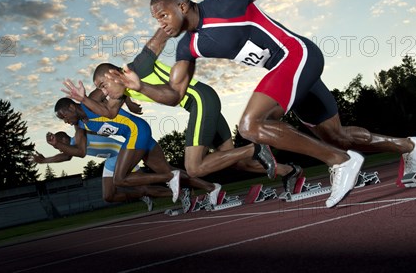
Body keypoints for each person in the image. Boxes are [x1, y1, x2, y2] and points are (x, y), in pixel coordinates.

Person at [107, 0, 416, 208]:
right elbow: (176, 94)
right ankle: (409, 146)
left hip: (297, 56)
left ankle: (341, 163)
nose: (160, 24)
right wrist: (140, 86)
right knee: (336, 135)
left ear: (182, 5)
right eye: (155, 20)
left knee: (250, 125)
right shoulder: (187, 47)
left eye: (163, 15)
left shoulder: (227, 1)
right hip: (290, 76)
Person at [62, 28, 304, 194]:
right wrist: (83, 98)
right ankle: (290, 170)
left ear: (114, 75)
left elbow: (157, 40)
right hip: (201, 103)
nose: (104, 92)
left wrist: (170, 22)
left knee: (194, 167)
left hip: (200, 99)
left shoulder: (138, 67)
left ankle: (256, 147)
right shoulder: (123, 92)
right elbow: (110, 114)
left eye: (103, 86)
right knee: (234, 161)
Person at [53, 97, 222, 209]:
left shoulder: (90, 101)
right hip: (137, 134)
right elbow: (81, 152)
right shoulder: (80, 126)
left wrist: (129, 101)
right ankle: (212, 187)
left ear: (71, 107)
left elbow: (114, 87)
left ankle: (171, 178)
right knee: (166, 169)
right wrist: (57, 146)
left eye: (64, 116)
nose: (65, 121)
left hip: (135, 132)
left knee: (120, 178)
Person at [33, 131, 166, 211]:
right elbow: (67, 155)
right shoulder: (73, 146)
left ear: (63, 139)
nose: (60, 149)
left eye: (60, 146)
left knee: (144, 187)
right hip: (114, 160)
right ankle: (142, 195)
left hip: (122, 154)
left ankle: (179, 191)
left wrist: (45, 160)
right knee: (109, 196)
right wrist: (44, 161)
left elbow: (67, 156)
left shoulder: (79, 138)